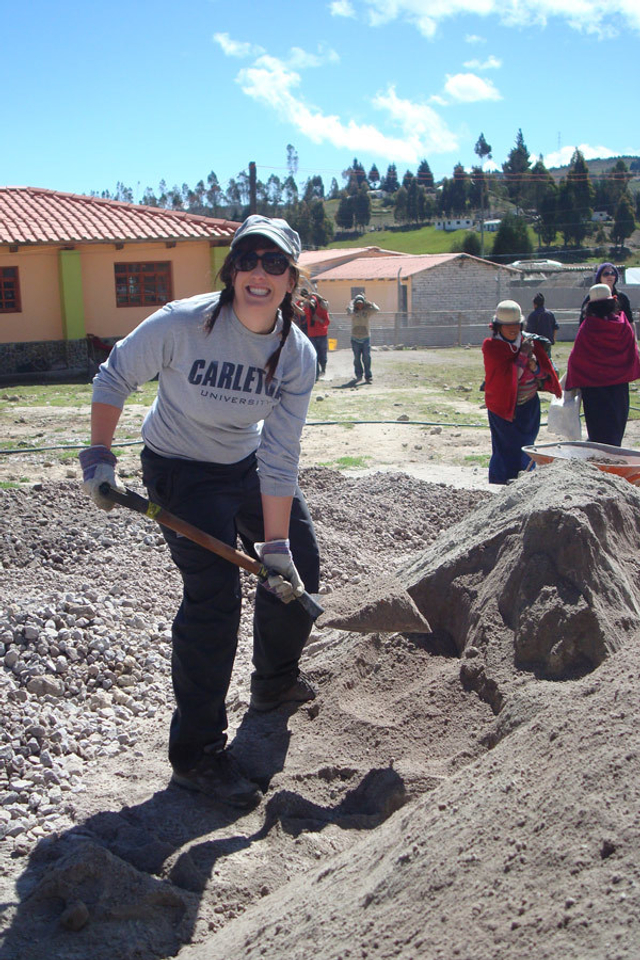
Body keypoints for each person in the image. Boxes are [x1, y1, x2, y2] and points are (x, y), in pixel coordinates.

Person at [78, 215, 320, 809]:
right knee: (214, 600)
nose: (260, 272)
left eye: (274, 263)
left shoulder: (296, 355)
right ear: (232, 269)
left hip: (245, 463)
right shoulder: (182, 324)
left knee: (299, 564)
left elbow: (280, 456)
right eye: (248, 259)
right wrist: (99, 456)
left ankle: (273, 683)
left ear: (291, 279)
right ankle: (196, 755)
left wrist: (276, 547)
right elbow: (114, 375)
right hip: (180, 468)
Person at [482, 299, 561, 485]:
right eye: (507, 326)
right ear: (498, 327)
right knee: (504, 447)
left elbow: (544, 373)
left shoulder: (530, 342)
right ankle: (501, 483)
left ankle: (523, 482)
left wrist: (535, 367)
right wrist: (524, 355)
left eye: (516, 325)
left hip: (528, 405)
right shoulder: (492, 347)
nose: (513, 329)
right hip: (501, 407)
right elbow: (509, 377)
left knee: (526, 446)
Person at [566, 283, 640, 447]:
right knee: (616, 430)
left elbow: (576, 359)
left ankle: (601, 459)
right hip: (618, 388)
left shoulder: (587, 327)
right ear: (613, 302)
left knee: (598, 433)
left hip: (594, 390)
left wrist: (571, 381)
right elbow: (632, 351)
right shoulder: (622, 324)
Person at [579, 263, 634, 327]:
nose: (609, 276)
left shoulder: (622, 297)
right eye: (606, 274)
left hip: (618, 332)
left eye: (612, 273)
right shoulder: (592, 297)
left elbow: (630, 321)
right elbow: (583, 322)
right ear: (600, 277)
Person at [296, 288, 332, 380]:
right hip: (310, 334)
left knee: (322, 355)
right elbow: (301, 313)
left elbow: (327, 322)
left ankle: (323, 369)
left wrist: (319, 319)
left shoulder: (321, 307)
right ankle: (316, 374)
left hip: (322, 333)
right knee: (313, 354)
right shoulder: (305, 306)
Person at [347, 294, 379, 383]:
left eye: (361, 303)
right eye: (358, 304)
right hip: (355, 338)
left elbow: (377, 309)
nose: (359, 305)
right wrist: (352, 303)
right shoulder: (353, 312)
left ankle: (368, 376)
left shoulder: (367, 312)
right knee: (357, 358)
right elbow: (349, 312)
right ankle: (359, 375)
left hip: (365, 338)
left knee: (366, 357)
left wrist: (370, 303)